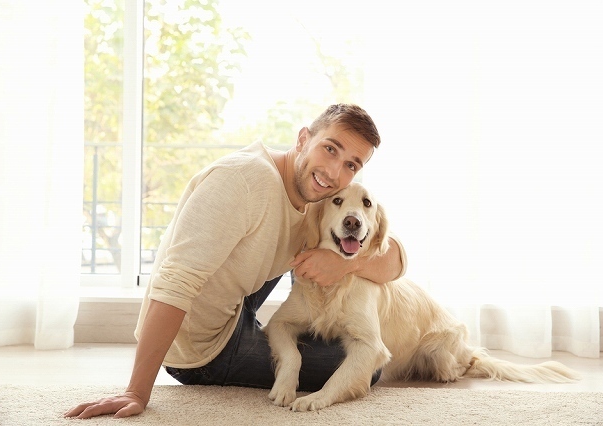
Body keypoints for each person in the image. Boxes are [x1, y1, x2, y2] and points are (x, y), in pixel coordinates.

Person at [65, 104, 407, 419]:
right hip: (202, 348)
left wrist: (346, 264)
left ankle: (282, 329)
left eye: (351, 165)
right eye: (329, 149)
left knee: (332, 254)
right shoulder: (242, 182)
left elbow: (396, 258)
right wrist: (136, 391)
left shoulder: (317, 199)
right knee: (368, 367)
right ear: (304, 138)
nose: (334, 172)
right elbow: (175, 282)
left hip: (236, 299)